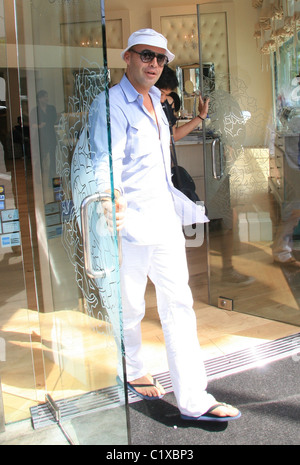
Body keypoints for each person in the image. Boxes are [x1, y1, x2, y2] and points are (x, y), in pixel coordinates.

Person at [89, 28, 240, 422]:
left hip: (165, 219)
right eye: (146, 55)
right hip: (130, 223)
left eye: (160, 58)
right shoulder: (109, 105)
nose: (154, 63)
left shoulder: (158, 101)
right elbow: (106, 162)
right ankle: (134, 369)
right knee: (131, 306)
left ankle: (194, 398)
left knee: (179, 305)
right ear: (128, 57)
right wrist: (112, 202)